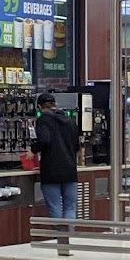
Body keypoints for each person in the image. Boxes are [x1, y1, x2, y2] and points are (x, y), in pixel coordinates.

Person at [33, 91, 81, 220]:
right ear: (55, 105)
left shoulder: (43, 120)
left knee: (55, 207)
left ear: (39, 107)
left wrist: (32, 150)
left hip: (51, 171)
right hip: (70, 170)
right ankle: (69, 232)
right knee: (70, 207)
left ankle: (60, 232)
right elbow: (77, 146)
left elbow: (44, 140)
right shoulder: (70, 121)